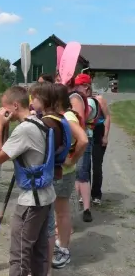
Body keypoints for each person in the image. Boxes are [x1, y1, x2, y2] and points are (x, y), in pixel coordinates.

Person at [0, 86, 56, 276]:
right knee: (39, 250)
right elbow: (11, 150)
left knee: (19, 253)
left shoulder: (24, 130)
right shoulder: (38, 122)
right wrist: (4, 126)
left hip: (31, 201)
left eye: (4, 108)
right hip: (45, 197)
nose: (2, 112)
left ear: (14, 105)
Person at [51, 83, 88, 270]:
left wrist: (72, 160)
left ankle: (63, 250)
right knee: (58, 212)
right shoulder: (62, 115)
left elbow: (83, 139)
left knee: (62, 212)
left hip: (63, 174)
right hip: (58, 173)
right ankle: (58, 243)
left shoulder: (67, 116)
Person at [71, 73, 95, 222]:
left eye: (78, 85)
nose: (75, 87)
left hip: (84, 137)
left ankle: (86, 208)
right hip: (75, 138)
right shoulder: (77, 98)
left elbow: (81, 118)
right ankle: (77, 205)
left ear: (85, 86)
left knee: (82, 173)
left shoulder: (89, 102)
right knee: (75, 174)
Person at [88, 86, 110, 205]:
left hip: (98, 131)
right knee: (84, 166)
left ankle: (96, 194)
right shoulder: (78, 100)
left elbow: (107, 117)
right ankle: (85, 193)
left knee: (96, 165)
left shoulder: (99, 99)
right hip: (86, 132)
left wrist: (105, 136)